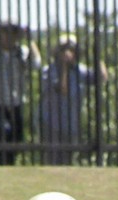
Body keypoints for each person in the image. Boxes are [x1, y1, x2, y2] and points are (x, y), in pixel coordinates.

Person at [0, 0, 41, 166]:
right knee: (3, 132)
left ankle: (7, 166)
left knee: (16, 139)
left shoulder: (22, 53)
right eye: (5, 31)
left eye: (13, 32)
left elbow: (37, 64)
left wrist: (30, 40)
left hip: (15, 104)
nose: (9, 35)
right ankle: (1, 165)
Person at [39, 34, 108, 165]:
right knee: (52, 162)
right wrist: (64, 67)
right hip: (51, 125)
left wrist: (97, 56)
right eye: (64, 50)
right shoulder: (49, 71)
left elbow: (102, 78)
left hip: (71, 125)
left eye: (71, 50)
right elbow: (63, 89)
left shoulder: (79, 71)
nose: (68, 53)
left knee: (68, 162)